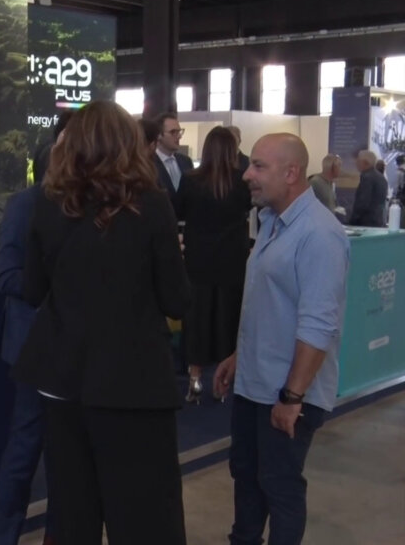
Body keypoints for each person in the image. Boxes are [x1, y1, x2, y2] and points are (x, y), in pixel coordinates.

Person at [12, 101, 191, 545]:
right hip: (132, 385)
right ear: (129, 143)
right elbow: (176, 300)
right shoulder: (151, 205)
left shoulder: (49, 203)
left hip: (63, 381)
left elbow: (32, 290)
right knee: (145, 519)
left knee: (73, 514)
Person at [214, 133, 349, 545]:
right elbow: (271, 307)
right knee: (246, 475)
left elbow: (318, 325)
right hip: (255, 384)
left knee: (279, 484)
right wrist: (240, 356)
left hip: (288, 393)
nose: (247, 175)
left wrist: (292, 398)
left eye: (258, 166)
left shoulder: (319, 234)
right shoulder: (271, 221)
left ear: (291, 173)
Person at [0, 112, 71, 545]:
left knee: (67, 460)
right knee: (24, 451)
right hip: (33, 350)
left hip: (75, 351)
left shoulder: (87, 207)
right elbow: (6, 275)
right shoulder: (24, 205)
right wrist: (56, 290)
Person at [174, 127, 252, 404]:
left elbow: (178, 211)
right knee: (228, 319)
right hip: (233, 262)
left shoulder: (190, 179)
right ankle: (224, 381)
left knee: (197, 320)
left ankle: (195, 380)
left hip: (198, 262)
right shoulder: (242, 182)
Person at [153, 112, 194, 207]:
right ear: (159, 135)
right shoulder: (149, 163)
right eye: (173, 132)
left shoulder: (186, 161)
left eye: (179, 131)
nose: (179, 136)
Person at [349, 149, 389, 227]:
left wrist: (352, 221)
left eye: (358, 161)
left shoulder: (367, 177)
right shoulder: (381, 177)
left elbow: (363, 203)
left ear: (366, 162)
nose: (356, 163)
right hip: (377, 221)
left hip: (365, 222)